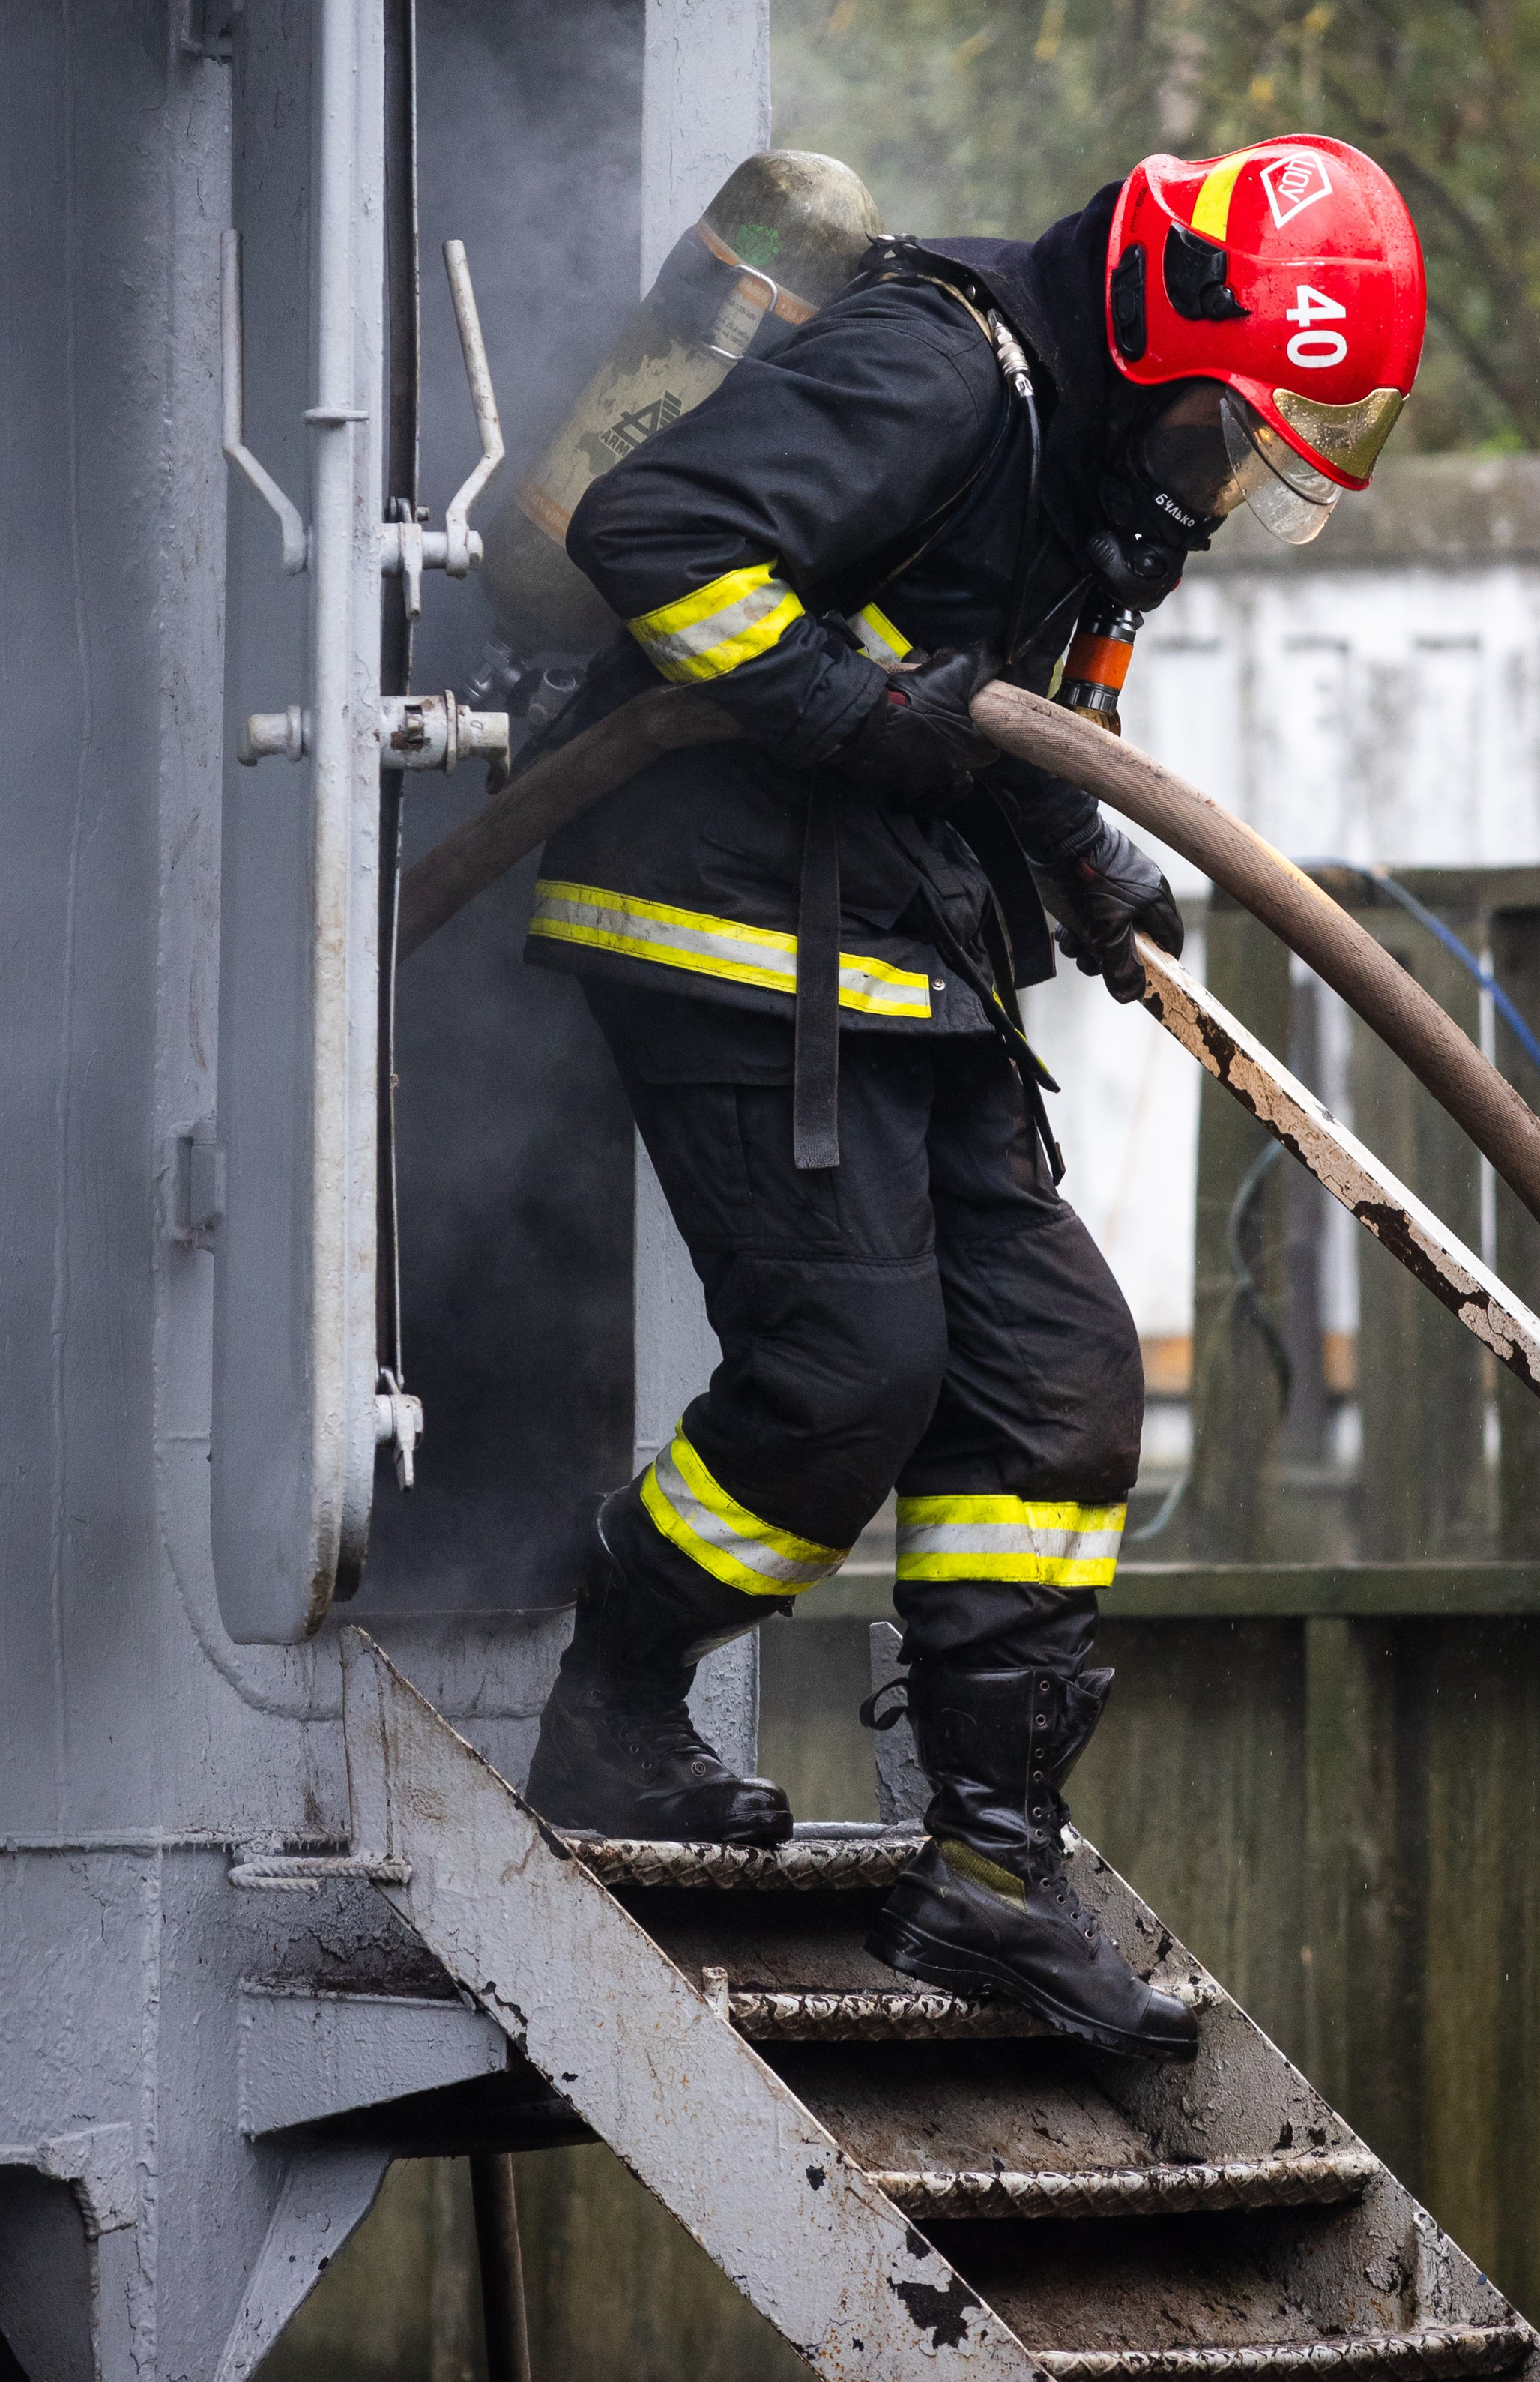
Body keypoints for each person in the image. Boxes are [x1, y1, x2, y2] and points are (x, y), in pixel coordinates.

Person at [521, 136, 1426, 2056]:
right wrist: (844, 714)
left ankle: (991, 1876)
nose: (1214, 492)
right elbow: (653, 532)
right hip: (722, 922)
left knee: (1058, 1379)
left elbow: (977, 685)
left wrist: (1078, 852)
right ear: (1161, 331)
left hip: (901, 954)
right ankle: (611, 1700)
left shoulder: (1086, 456)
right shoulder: (940, 370)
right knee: (850, 1374)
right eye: (1224, 440)